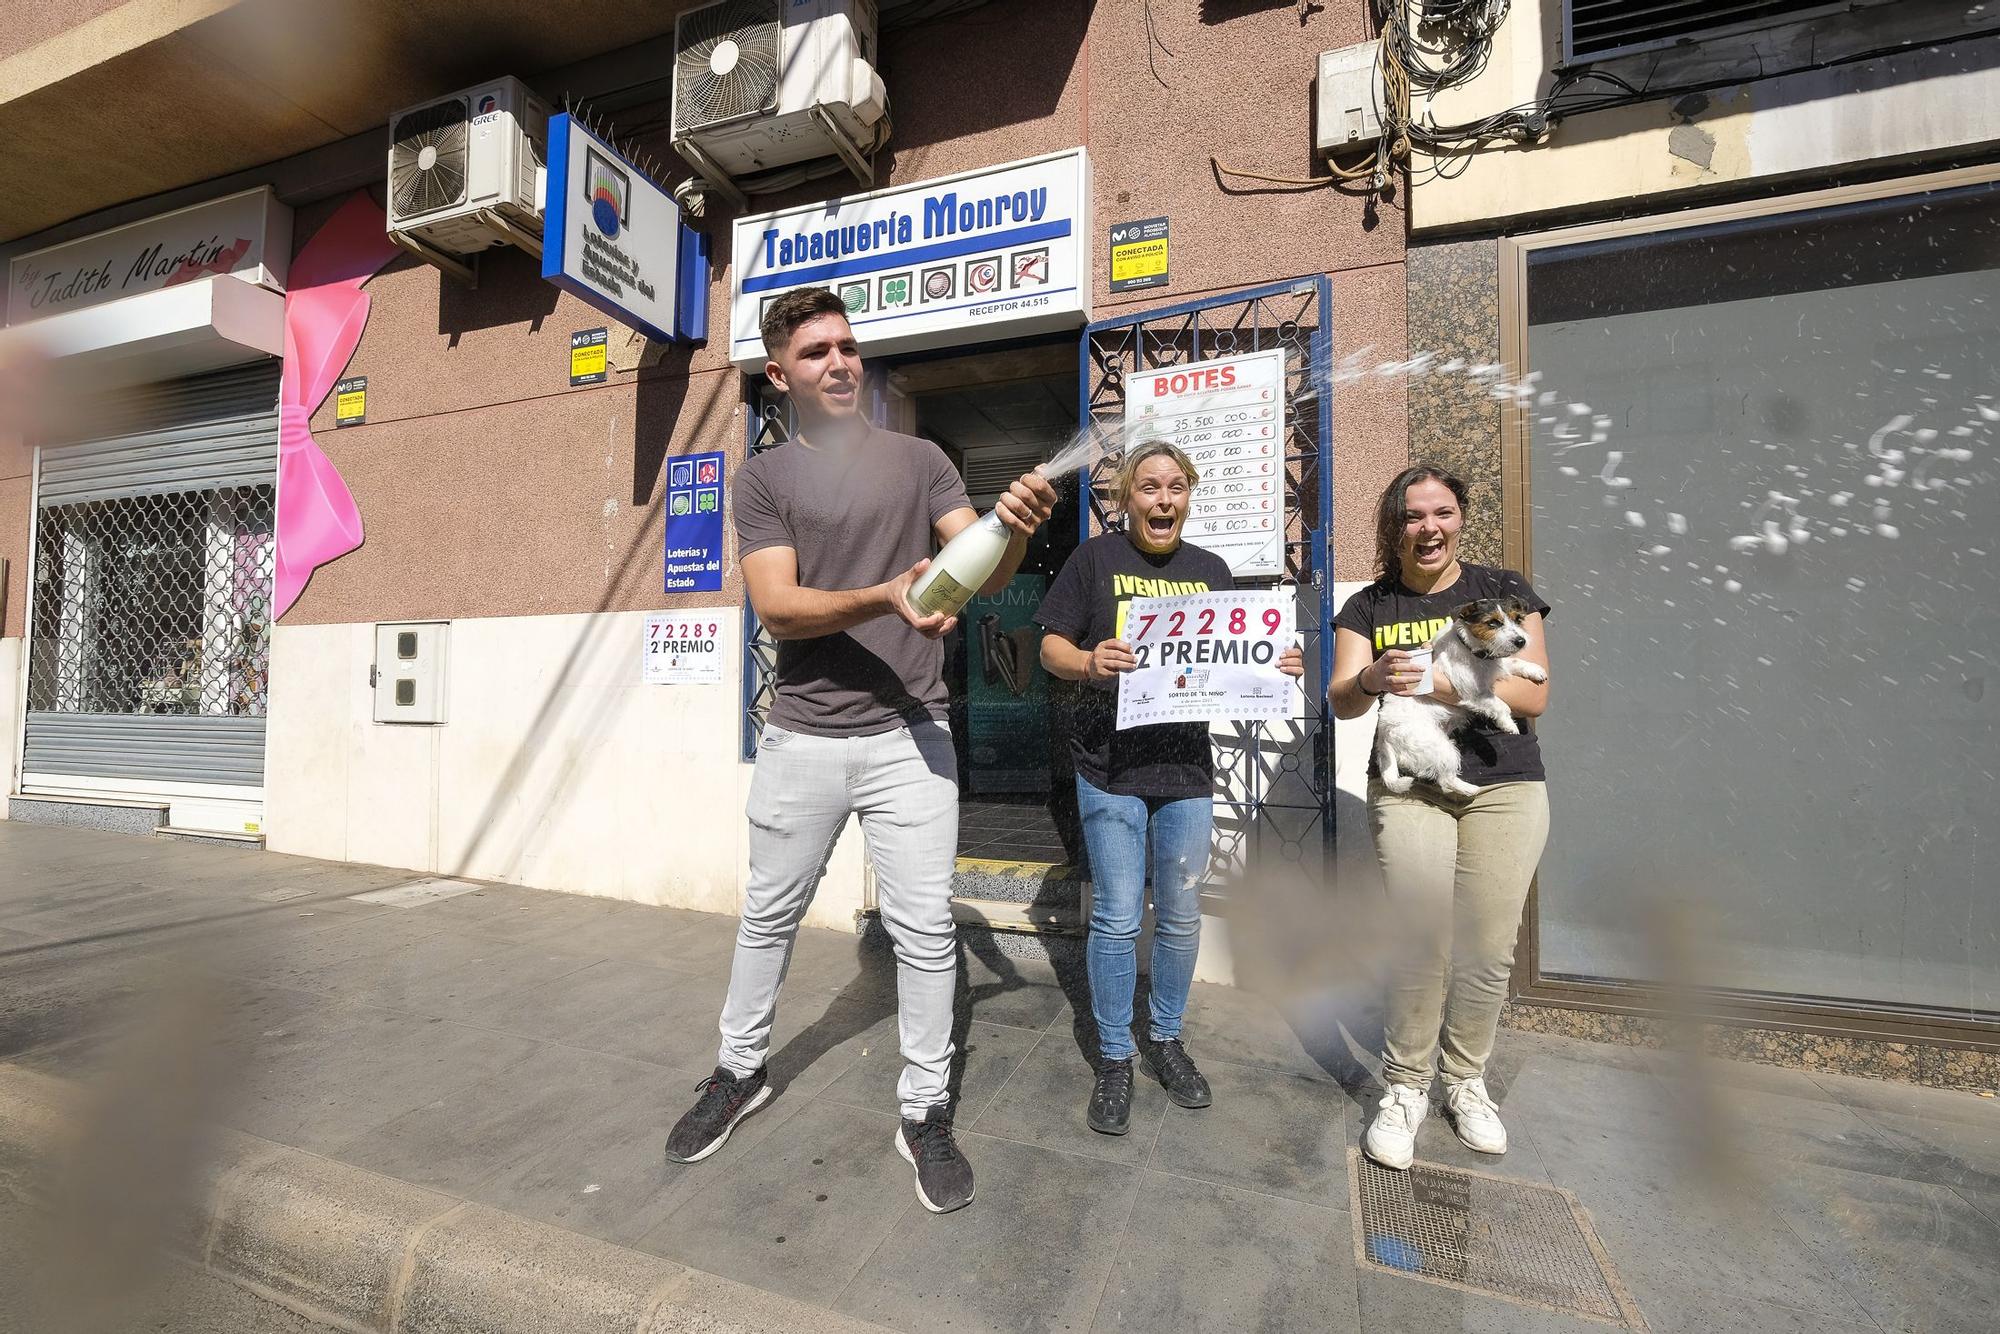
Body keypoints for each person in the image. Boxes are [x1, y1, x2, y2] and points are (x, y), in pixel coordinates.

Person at [664, 286, 1057, 1214]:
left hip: (913, 735)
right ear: (779, 375)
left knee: (924, 934)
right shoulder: (763, 480)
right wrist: (883, 597)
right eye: (816, 353)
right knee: (768, 917)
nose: (840, 362)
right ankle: (738, 1071)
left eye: (848, 346)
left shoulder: (921, 460)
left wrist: (1012, 529)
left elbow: (975, 568)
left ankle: (924, 1111)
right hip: (801, 735)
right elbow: (777, 604)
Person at [1035, 440, 1304, 1135]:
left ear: (1189, 496)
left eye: (1176, 487)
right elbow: (1050, 649)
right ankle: (1117, 1057)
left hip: (1185, 770)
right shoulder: (1093, 560)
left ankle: (1167, 1038)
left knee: (1181, 916)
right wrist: (1091, 661)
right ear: (1126, 498)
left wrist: (1277, 664)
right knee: (1119, 917)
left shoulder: (1211, 570)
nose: (1163, 500)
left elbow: (1236, 657)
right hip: (1109, 770)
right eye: (1149, 488)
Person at [1329, 464, 1551, 1170]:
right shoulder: (1369, 606)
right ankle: (1405, 1086)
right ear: (1393, 527)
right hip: (1410, 787)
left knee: (1488, 948)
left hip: (1506, 785)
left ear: (1460, 517)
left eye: (1443, 512)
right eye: (1413, 516)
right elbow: (1342, 698)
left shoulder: (1505, 592)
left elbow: (1534, 698)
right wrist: (1370, 677)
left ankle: (1466, 1081)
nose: (1429, 527)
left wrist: (1431, 679)